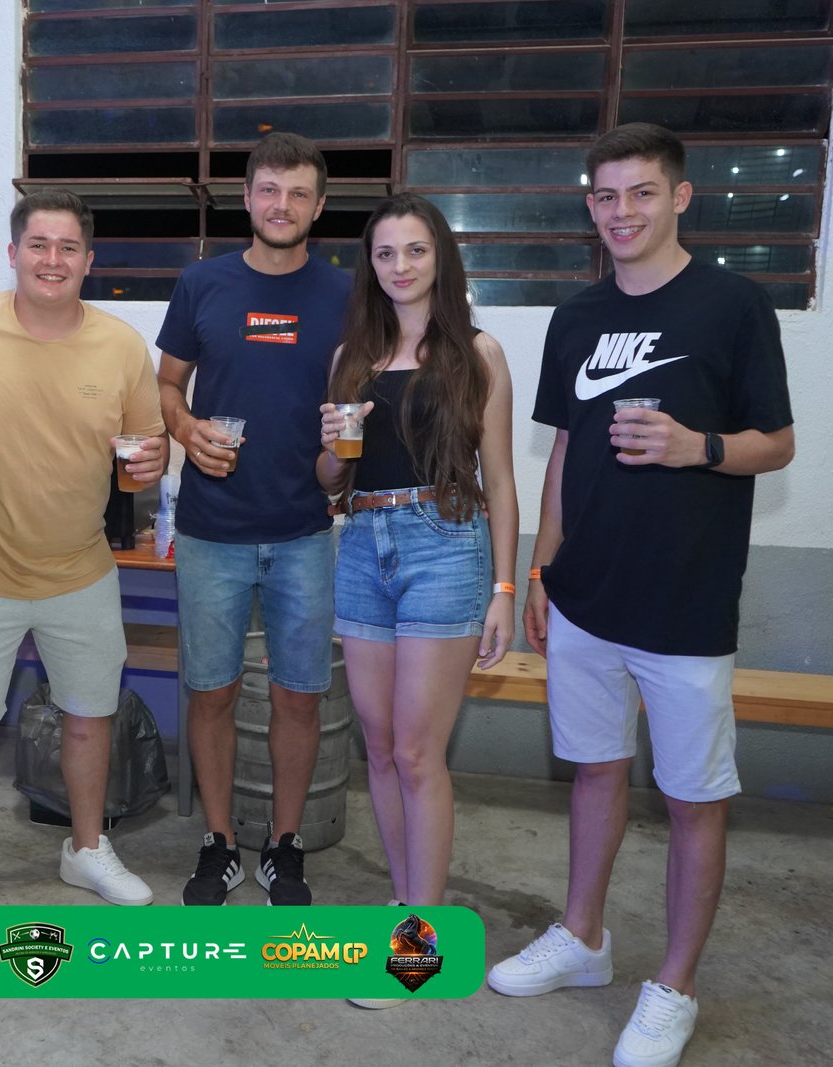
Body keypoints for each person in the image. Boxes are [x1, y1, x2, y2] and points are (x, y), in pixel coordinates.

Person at [486, 123, 795, 1067]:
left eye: (642, 192)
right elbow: (565, 453)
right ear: (591, 206)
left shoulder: (734, 304)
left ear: (681, 196)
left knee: (694, 797)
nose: (622, 212)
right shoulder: (576, 317)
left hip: (686, 604)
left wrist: (698, 446)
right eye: (607, 196)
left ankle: (676, 986)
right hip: (585, 595)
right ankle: (583, 938)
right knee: (594, 770)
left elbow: (777, 442)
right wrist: (542, 570)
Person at [0, 189, 167, 907]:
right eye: (38, 244)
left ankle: (85, 849)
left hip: (80, 571)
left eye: (68, 248)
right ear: (13, 253)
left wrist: (151, 463)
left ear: (89, 261)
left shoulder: (120, 345)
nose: (52, 260)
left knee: (91, 716)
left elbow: (140, 460)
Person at [314, 194, 517, 1006]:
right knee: (379, 747)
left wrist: (505, 588)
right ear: (371, 265)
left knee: (418, 752)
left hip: (446, 540)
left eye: (415, 250)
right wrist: (333, 450)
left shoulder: (478, 352)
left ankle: (418, 949)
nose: (400, 266)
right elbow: (329, 479)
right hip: (363, 542)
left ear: (440, 258)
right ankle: (407, 904)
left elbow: (502, 479)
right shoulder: (351, 356)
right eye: (385, 252)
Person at [156, 131, 352, 906]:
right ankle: (218, 840)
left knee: (299, 695)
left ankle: (285, 843)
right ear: (246, 197)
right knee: (211, 691)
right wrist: (185, 429)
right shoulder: (201, 283)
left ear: (320, 206)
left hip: (305, 528)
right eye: (269, 189)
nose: (282, 204)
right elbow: (167, 386)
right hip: (211, 531)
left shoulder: (346, 294)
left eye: (299, 192)